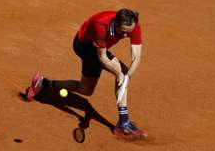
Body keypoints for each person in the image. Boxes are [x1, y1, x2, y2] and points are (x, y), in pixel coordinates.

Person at [26, 8, 147, 138]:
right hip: (84, 46)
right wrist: (120, 74)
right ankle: (124, 123)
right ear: (116, 24)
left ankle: (44, 83)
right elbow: (102, 57)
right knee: (120, 72)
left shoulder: (133, 25)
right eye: (123, 32)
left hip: (101, 48)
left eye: (128, 32)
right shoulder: (100, 25)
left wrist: (127, 77)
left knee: (86, 89)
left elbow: (136, 58)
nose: (125, 35)